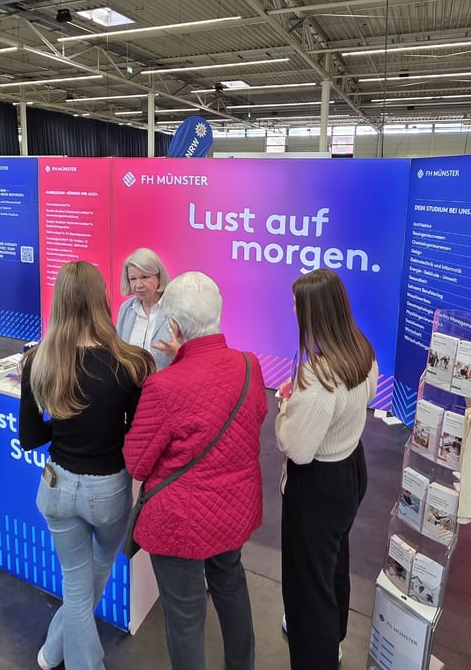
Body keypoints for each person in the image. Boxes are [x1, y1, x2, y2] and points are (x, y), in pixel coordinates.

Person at [123, 271, 265, 670]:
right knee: (231, 585)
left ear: (173, 325)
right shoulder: (249, 366)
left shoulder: (164, 386)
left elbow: (137, 463)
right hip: (233, 509)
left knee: (185, 615)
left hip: (180, 521)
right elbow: (252, 418)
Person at [19, 261, 154, 670]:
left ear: (59, 301)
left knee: (77, 585)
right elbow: (136, 435)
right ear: (103, 299)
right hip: (108, 490)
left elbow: (30, 438)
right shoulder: (133, 362)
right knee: (91, 576)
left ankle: (52, 651)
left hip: (56, 487)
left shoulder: (39, 361)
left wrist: (64, 425)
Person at [274, 268, 378, 669]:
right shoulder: (361, 350)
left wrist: (285, 407)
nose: (293, 311)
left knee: (306, 584)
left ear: (314, 312)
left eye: (297, 305)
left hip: (316, 487)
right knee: (332, 561)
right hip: (350, 469)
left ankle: (315, 654)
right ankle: (331, 637)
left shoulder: (317, 378)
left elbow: (297, 449)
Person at [115, 248, 178, 370]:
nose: (138, 285)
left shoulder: (176, 308)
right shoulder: (126, 309)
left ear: (159, 277)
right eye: (133, 279)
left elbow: (192, 353)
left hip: (167, 380)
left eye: (145, 277)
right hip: (132, 380)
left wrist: (178, 352)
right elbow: (119, 350)